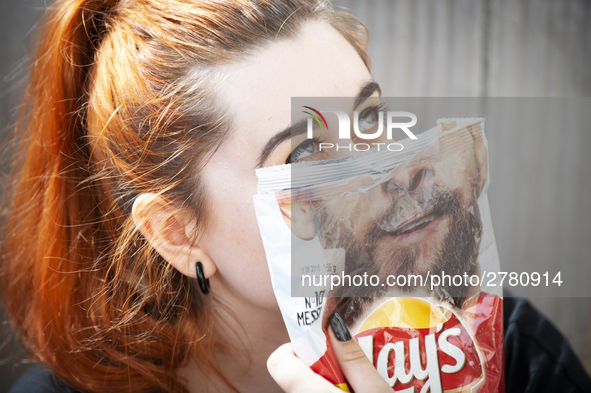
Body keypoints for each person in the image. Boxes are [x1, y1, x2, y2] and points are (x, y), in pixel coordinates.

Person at [2, 1, 590, 392]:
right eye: (305, 156)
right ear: (179, 234)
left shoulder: (508, 352)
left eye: (371, 118)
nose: (398, 172)